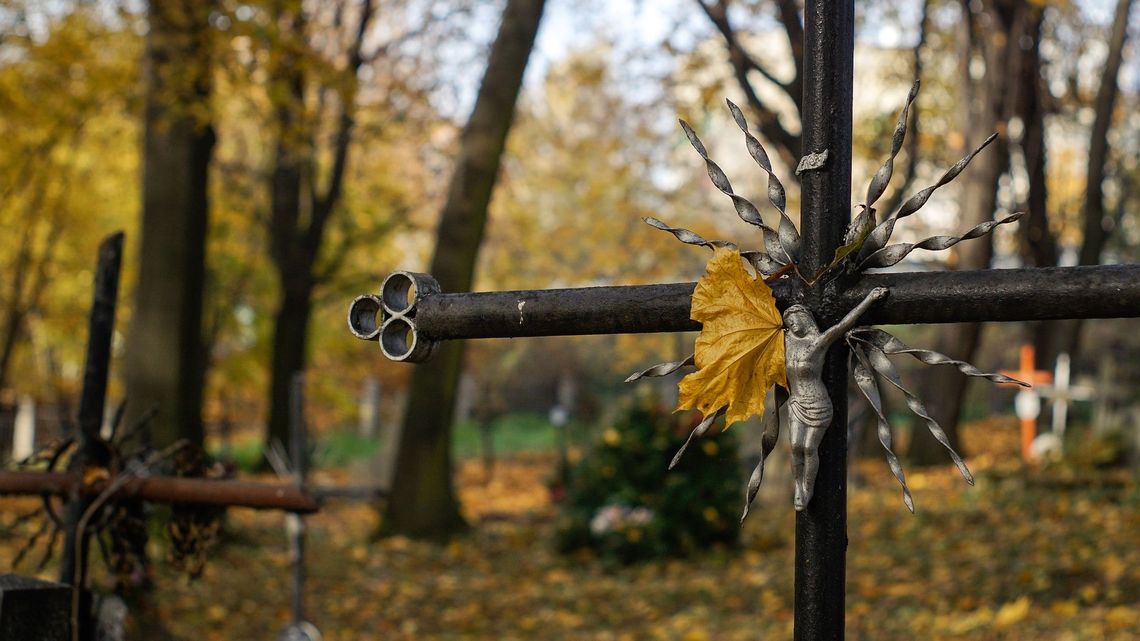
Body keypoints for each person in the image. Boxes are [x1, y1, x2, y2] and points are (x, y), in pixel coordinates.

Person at [784, 286, 888, 510]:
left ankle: (808, 488)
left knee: (809, 448)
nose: (792, 324)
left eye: (796, 319)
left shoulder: (817, 343)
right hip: (795, 403)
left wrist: (870, 298)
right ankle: (798, 487)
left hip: (817, 404)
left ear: (805, 319)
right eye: (789, 321)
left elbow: (843, 325)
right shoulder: (786, 342)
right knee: (795, 446)